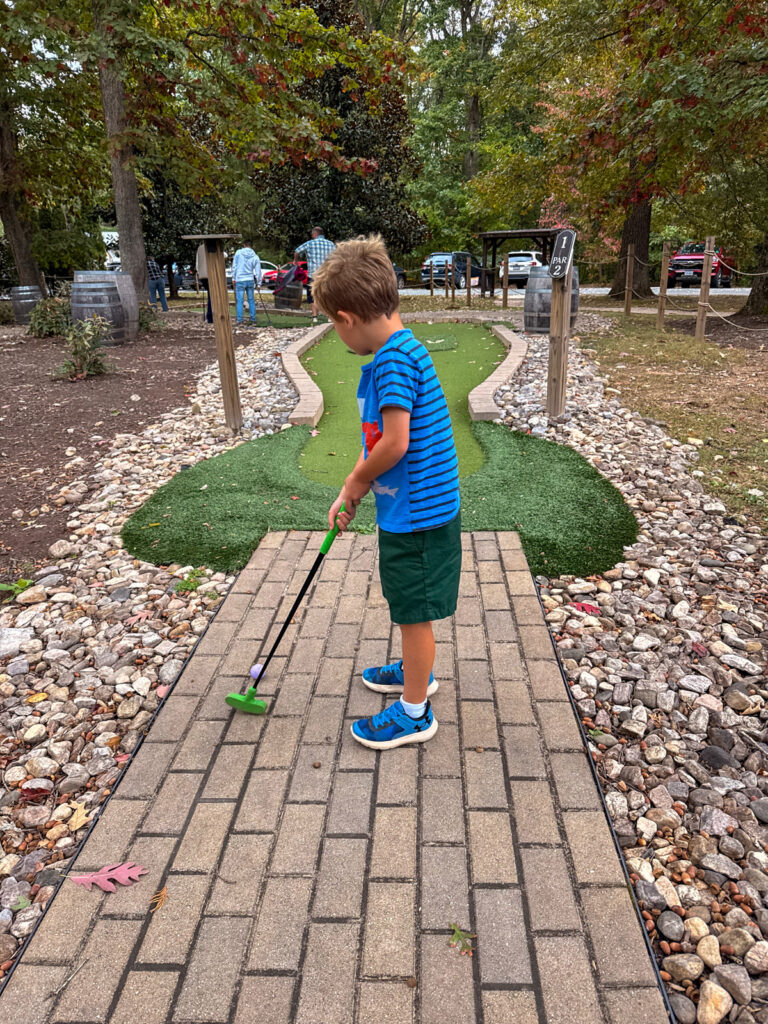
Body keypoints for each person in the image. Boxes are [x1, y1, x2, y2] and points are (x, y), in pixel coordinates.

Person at [312, 235, 461, 750]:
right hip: (418, 507)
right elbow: (381, 442)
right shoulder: (404, 347)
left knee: (413, 613)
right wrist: (354, 487)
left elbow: (395, 443)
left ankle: (415, 712)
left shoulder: (393, 362)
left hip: (418, 516)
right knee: (408, 604)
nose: (337, 333)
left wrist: (356, 481)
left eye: (333, 324)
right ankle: (415, 670)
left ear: (347, 318)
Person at [294, 226, 335, 319]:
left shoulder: (310, 243)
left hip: (313, 274)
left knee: (312, 295)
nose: (312, 236)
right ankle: (328, 317)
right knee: (326, 295)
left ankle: (315, 316)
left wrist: (296, 261)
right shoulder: (331, 244)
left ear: (315, 234)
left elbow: (297, 251)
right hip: (326, 274)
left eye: (312, 234)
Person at [231, 242, 261, 326]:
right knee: (251, 300)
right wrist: (258, 284)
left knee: (240, 301)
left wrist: (233, 278)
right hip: (250, 280)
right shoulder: (255, 256)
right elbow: (258, 271)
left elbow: (234, 266)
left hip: (240, 279)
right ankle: (253, 319)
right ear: (251, 246)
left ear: (244, 245)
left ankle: (239, 320)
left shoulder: (238, 253)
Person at [195, 243, 213, 324]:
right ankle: (210, 317)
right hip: (211, 274)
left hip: (202, 275)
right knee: (212, 296)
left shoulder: (200, 248)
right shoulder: (213, 246)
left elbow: (197, 264)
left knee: (210, 295)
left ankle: (210, 316)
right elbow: (224, 255)